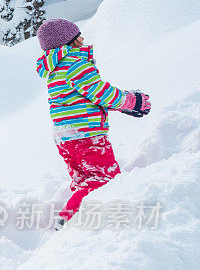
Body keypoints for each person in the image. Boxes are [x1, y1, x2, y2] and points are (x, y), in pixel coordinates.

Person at [35, 19, 151, 230]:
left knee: (84, 180)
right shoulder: (75, 65)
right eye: (77, 36)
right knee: (105, 178)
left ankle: (74, 221)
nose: (83, 38)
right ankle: (68, 221)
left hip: (66, 138)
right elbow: (101, 94)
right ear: (68, 43)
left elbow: (87, 98)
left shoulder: (56, 69)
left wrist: (123, 106)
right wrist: (133, 101)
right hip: (86, 135)